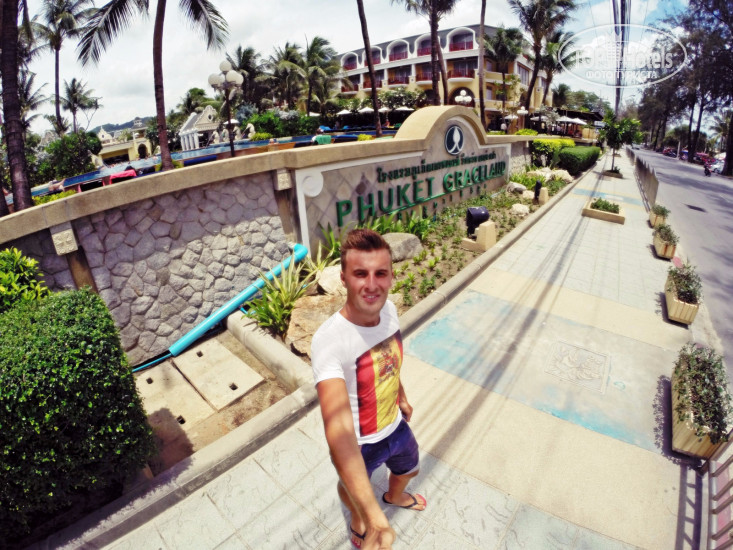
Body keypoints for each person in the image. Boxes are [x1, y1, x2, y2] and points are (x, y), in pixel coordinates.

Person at [311, 229, 426, 550]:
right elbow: (338, 429)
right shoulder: (329, 341)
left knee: (410, 468)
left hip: (395, 425)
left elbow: (388, 361)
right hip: (361, 444)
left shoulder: (389, 312)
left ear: (391, 277)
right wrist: (375, 520)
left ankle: (394, 495)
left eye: (381, 273)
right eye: (361, 274)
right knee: (350, 488)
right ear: (344, 278)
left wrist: (401, 396)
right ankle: (358, 521)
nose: (372, 284)